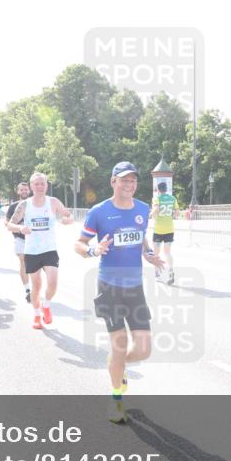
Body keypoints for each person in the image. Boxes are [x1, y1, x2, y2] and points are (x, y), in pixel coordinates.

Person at [76, 162, 164, 423]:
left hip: (135, 287)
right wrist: (93, 250)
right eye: (124, 180)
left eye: (133, 180)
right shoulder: (98, 212)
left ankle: (117, 364)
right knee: (120, 344)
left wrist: (148, 253)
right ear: (113, 182)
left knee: (145, 349)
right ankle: (116, 399)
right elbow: (79, 244)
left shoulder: (142, 209)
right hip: (109, 287)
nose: (129, 184)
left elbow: (140, 237)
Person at [7, 172, 75, 329]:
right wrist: (20, 227)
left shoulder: (53, 202)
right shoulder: (24, 205)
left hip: (49, 249)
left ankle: (46, 305)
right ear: (31, 186)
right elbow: (10, 224)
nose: (39, 187)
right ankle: (37, 315)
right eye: (36, 184)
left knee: (53, 283)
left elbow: (69, 216)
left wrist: (68, 220)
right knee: (36, 286)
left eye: (42, 184)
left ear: (46, 186)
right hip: (31, 251)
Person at [6, 181, 32, 303]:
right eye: (21, 190)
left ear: (29, 190)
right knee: (23, 261)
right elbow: (7, 223)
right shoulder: (13, 206)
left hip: (35, 239)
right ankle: (28, 290)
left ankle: (35, 286)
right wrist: (18, 227)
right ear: (18, 192)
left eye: (26, 189)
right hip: (20, 238)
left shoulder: (35, 204)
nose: (24, 192)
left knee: (35, 264)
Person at [150, 181, 176, 284]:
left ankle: (157, 273)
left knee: (156, 253)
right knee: (167, 252)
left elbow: (156, 209)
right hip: (169, 229)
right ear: (166, 189)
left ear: (157, 190)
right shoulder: (173, 199)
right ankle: (170, 270)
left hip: (159, 229)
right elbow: (177, 212)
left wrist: (150, 215)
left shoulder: (157, 198)